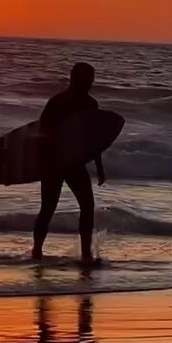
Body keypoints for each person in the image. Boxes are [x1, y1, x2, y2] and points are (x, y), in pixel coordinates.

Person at [33, 62, 105, 263]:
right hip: (56, 163)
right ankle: (37, 250)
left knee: (86, 205)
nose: (89, 83)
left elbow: (93, 139)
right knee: (49, 207)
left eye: (91, 79)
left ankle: (85, 254)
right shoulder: (57, 103)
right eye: (87, 78)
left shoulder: (89, 105)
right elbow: (42, 135)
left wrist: (98, 167)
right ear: (75, 78)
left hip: (70, 163)